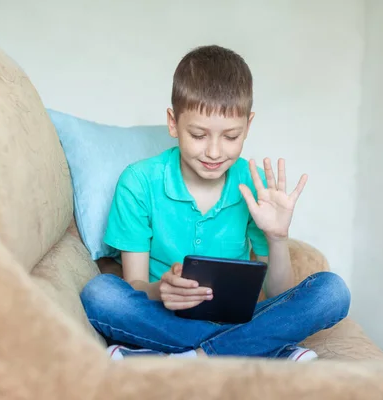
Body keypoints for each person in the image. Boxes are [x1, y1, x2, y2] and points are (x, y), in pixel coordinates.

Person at [80, 45, 350, 362]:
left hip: (237, 318)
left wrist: (278, 237)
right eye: (198, 134)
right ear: (173, 123)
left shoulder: (254, 185)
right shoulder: (139, 182)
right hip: (163, 316)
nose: (214, 152)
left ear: (248, 126)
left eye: (231, 137)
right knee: (101, 294)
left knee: (333, 291)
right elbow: (134, 286)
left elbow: (277, 295)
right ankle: (260, 349)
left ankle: (189, 357)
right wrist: (160, 290)